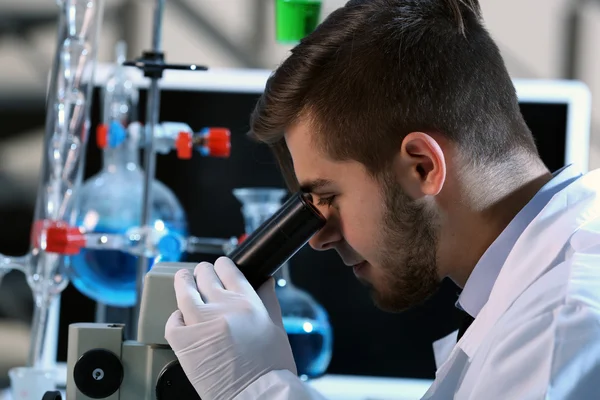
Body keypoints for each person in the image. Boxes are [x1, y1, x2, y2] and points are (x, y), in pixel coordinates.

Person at [164, 0, 600, 399]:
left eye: (329, 195)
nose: (319, 238)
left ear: (422, 167)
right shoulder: (533, 291)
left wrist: (254, 387)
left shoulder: (562, 326)